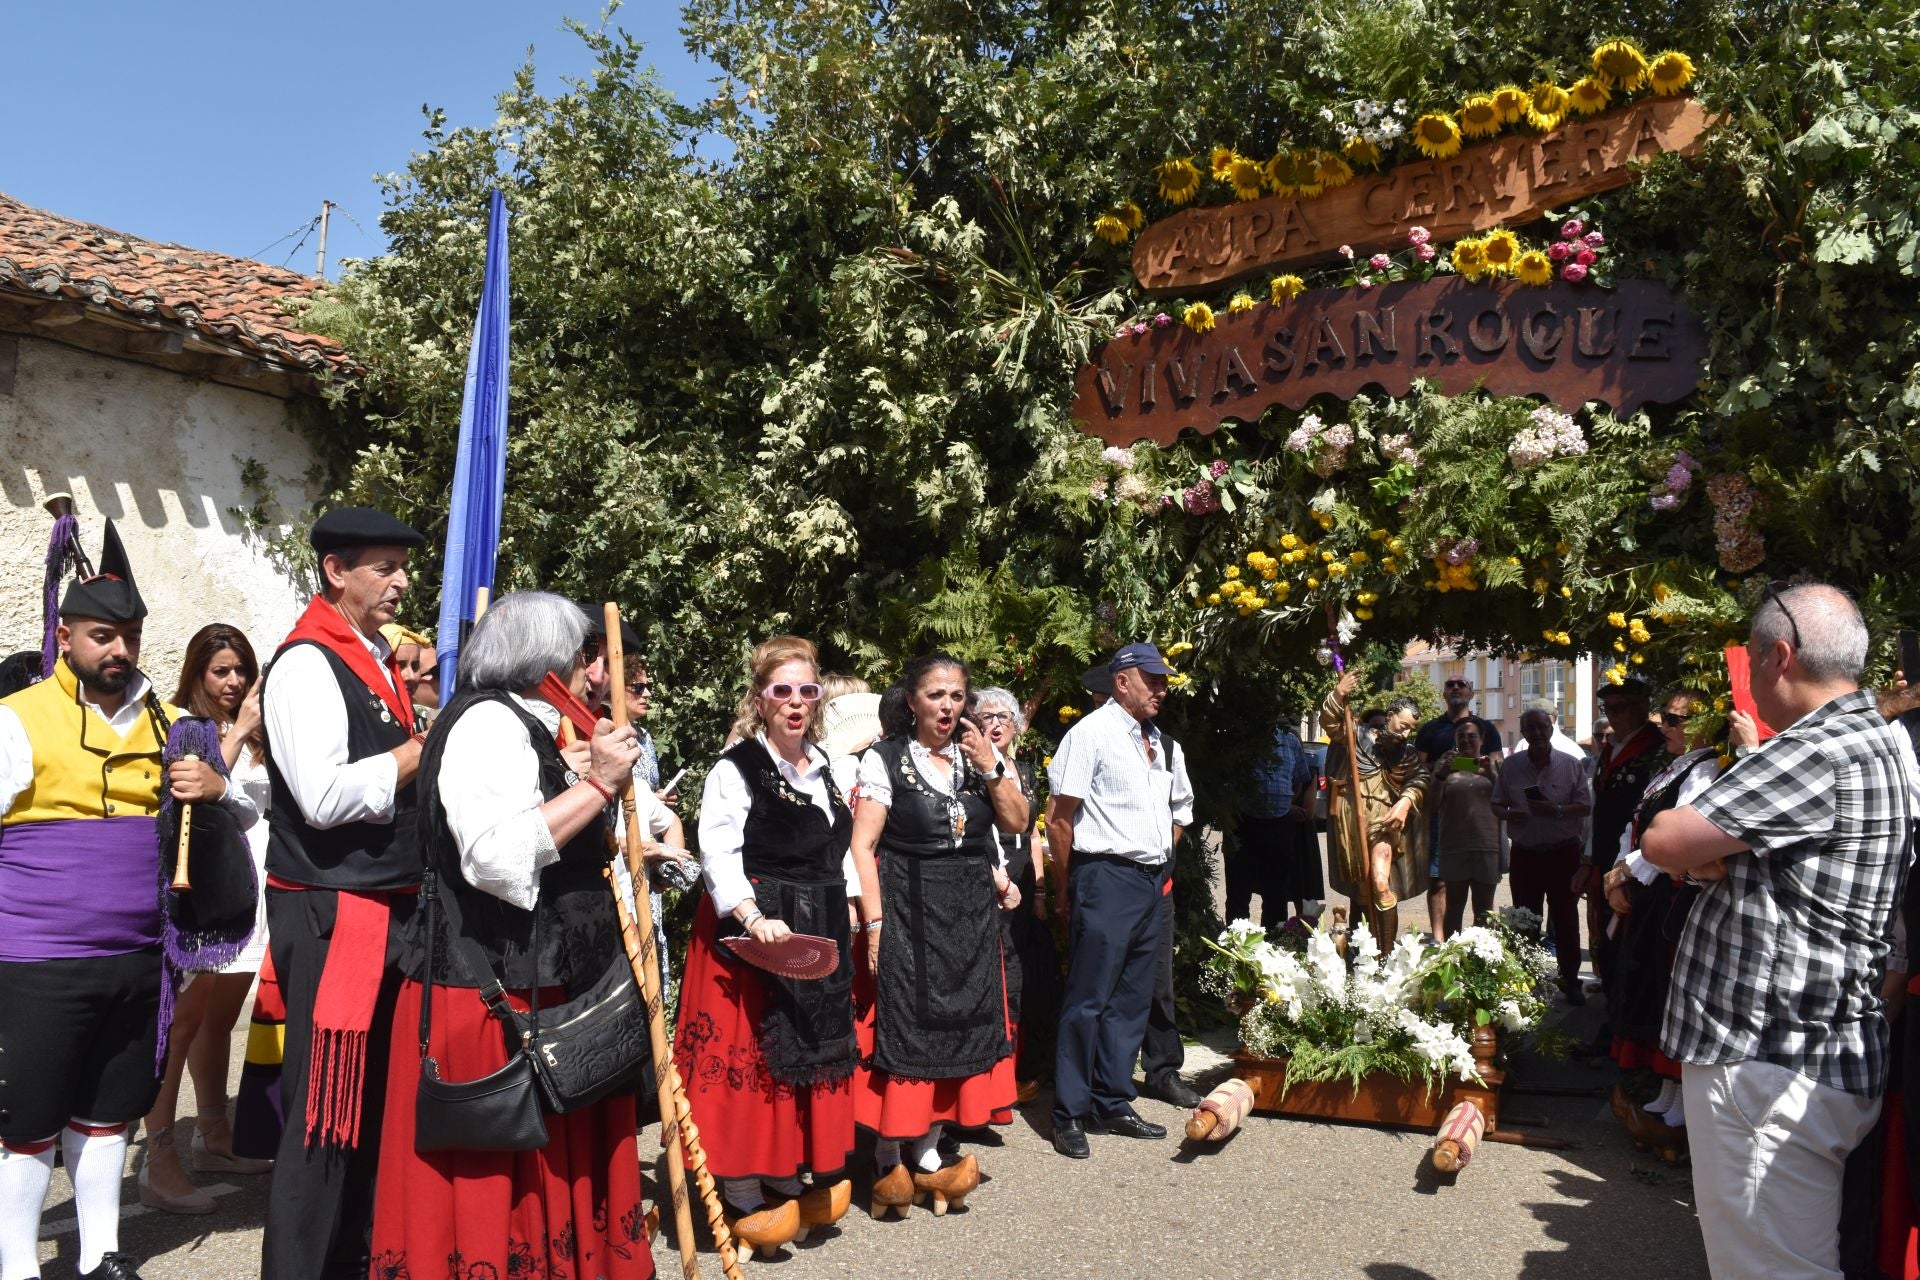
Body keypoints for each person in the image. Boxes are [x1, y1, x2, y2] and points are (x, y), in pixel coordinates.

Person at [366, 592, 655, 1280]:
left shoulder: (523, 721)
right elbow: (495, 858)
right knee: (498, 1180)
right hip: (495, 992)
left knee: (555, 1168)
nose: (591, 670)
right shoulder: (486, 726)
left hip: (549, 985)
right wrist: (601, 785)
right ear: (546, 657)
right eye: (582, 655)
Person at [0, 523, 252, 1280]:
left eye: (131, 637)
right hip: (37, 961)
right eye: (102, 635)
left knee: (110, 1114)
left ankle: (102, 1255)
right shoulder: (15, 718)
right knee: (28, 1124)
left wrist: (216, 791)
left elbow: (227, 833)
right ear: (66, 634)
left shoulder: (176, 729)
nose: (118, 651)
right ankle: (15, 1266)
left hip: (141, 959)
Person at [1644, 583, 1917, 1279]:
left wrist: (1703, 858)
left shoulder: (1816, 749)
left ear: (1780, 657)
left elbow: (1665, 839)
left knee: (1771, 1271)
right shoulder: (1872, 736)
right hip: (1806, 1046)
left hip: (1769, 1055)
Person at [258, 506, 427, 1280]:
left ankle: (350, 1261)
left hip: (375, 903)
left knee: (366, 1111)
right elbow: (323, 798)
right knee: (326, 1113)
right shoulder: (304, 662)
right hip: (336, 911)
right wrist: (418, 751)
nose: (400, 582)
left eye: (401, 567)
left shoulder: (369, 656)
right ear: (336, 570)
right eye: (383, 567)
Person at [673, 636, 861, 1249]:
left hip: (816, 927)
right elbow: (717, 853)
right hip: (752, 932)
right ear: (760, 699)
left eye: (807, 690)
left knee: (803, 1051)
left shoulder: (828, 766)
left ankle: (783, 1165)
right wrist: (753, 918)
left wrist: (856, 910)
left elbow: (841, 851)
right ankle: (739, 1182)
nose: (797, 702)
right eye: (782, 691)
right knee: (753, 1054)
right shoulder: (737, 766)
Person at [849, 652, 1025, 1207]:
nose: (947, 706)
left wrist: (992, 764)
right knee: (906, 1027)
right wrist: (874, 926)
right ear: (911, 701)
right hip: (908, 906)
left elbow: (1017, 822)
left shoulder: (980, 757)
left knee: (959, 1026)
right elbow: (862, 845)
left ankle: (927, 1147)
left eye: (955, 696)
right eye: (935, 695)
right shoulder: (886, 758)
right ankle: (884, 1155)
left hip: (971, 915)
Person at [138, 626, 276, 1215]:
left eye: (242, 670)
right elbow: (187, 802)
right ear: (196, 672)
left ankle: (213, 1135)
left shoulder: (263, 735)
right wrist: (242, 729)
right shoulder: (181, 727)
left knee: (221, 1020)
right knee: (183, 1025)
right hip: (201, 903)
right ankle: (157, 1157)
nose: (234, 682)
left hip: (251, 901)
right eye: (221, 671)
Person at [1047, 643, 1194, 1159]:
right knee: (1088, 999)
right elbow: (1060, 818)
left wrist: (1157, 866)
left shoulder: (1157, 741)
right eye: (1151, 679)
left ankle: (1112, 1100)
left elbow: (1177, 815)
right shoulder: (1091, 735)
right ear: (1122, 682)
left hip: (1149, 881)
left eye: (1163, 679)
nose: (1161, 688)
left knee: (1132, 999)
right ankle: (1068, 1111)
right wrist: (1065, 888)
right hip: (1105, 876)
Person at [1598, 691, 1748, 1139]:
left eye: (1675, 719)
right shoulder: (1677, 765)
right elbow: (1638, 823)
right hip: (1651, 890)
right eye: (1665, 715)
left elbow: (1678, 840)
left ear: (1704, 725)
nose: (1664, 725)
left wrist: (1627, 870)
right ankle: (1665, 1093)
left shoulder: (1705, 770)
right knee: (1650, 989)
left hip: (1674, 893)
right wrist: (1620, 870)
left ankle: (1680, 1104)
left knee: (1669, 992)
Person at [973, 686, 1057, 1100]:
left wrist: (1040, 890)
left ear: (1017, 725)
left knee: (1025, 974)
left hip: (1023, 880)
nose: (996, 724)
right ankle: (994, 1076)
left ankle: (1017, 1069)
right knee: (1000, 974)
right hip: (991, 876)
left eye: (1005, 716)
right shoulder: (973, 770)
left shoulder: (1024, 770)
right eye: (987, 716)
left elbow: (1034, 830)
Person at [1491, 707, 1594, 1003]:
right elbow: (1496, 804)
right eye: (1530, 728)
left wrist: (1557, 810)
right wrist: (1510, 814)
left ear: (1550, 728)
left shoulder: (1571, 764)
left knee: (1565, 919)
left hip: (1563, 854)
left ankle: (1570, 980)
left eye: (1541, 727)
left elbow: (1585, 806)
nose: (1536, 733)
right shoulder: (1511, 766)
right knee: (1525, 921)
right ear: (1522, 733)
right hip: (1526, 855)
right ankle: (1527, 983)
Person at [1321, 672, 1426, 942]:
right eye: (1402, 725)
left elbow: (1420, 779)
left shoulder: (1406, 752)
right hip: (1352, 819)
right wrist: (1339, 693)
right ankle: (1361, 950)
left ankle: (1385, 955)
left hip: (1383, 821)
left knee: (1380, 882)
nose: (1405, 732)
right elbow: (1330, 723)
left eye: (1410, 729)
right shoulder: (1356, 735)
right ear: (1390, 714)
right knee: (1361, 889)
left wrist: (1405, 801)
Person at [1579, 676, 1664, 991]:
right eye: (1607, 707)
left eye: (1621, 707)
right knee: (1606, 937)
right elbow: (1598, 809)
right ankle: (1610, 1014)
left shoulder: (1655, 749)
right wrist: (1588, 860)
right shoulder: (1609, 748)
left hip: (1637, 864)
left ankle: (1620, 1024)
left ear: (1642, 707)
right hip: (1604, 859)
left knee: (1629, 945)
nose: (1613, 715)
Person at [1416, 677, 1505, 947]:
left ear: (1471, 692)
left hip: (1484, 838)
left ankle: (1483, 956)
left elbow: (1500, 773)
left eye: (1461, 684)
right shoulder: (1430, 729)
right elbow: (1420, 771)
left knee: (1484, 907)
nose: (1455, 688)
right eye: (1450, 684)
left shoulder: (1488, 727)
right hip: (1446, 828)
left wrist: (1481, 770)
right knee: (1439, 883)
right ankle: (1441, 943)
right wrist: (1442, 772)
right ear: (1443, 693)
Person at [1228, 717, 1315, 925]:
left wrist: (1286, 804)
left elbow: (1299, 781)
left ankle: (1273, 946)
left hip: (1279, 826)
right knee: (1239, 891)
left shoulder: (1290, 740)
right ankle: (1236, 948)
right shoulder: (1240, 739)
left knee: (1276, 893)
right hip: (1243, 824)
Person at [1431, 719, 1502, 940]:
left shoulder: (1493, 766)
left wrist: (1491, 775)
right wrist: (1441, 775)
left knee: (1484, 912)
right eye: (1461, 735)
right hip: (1454, 846)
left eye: (1472, 735)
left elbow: (1506, 801)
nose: (1466, 739)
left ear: (1482, 739)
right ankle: (1452, 962)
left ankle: (1481, 963)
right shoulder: (1445, 765)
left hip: (1487, 845)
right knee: (1454, 909)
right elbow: (1432, 805)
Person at [379, 624, 437, 723]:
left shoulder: (421, 719)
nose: (411, 676)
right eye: (399, 666)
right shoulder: (364, 713)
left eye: (415, 667)